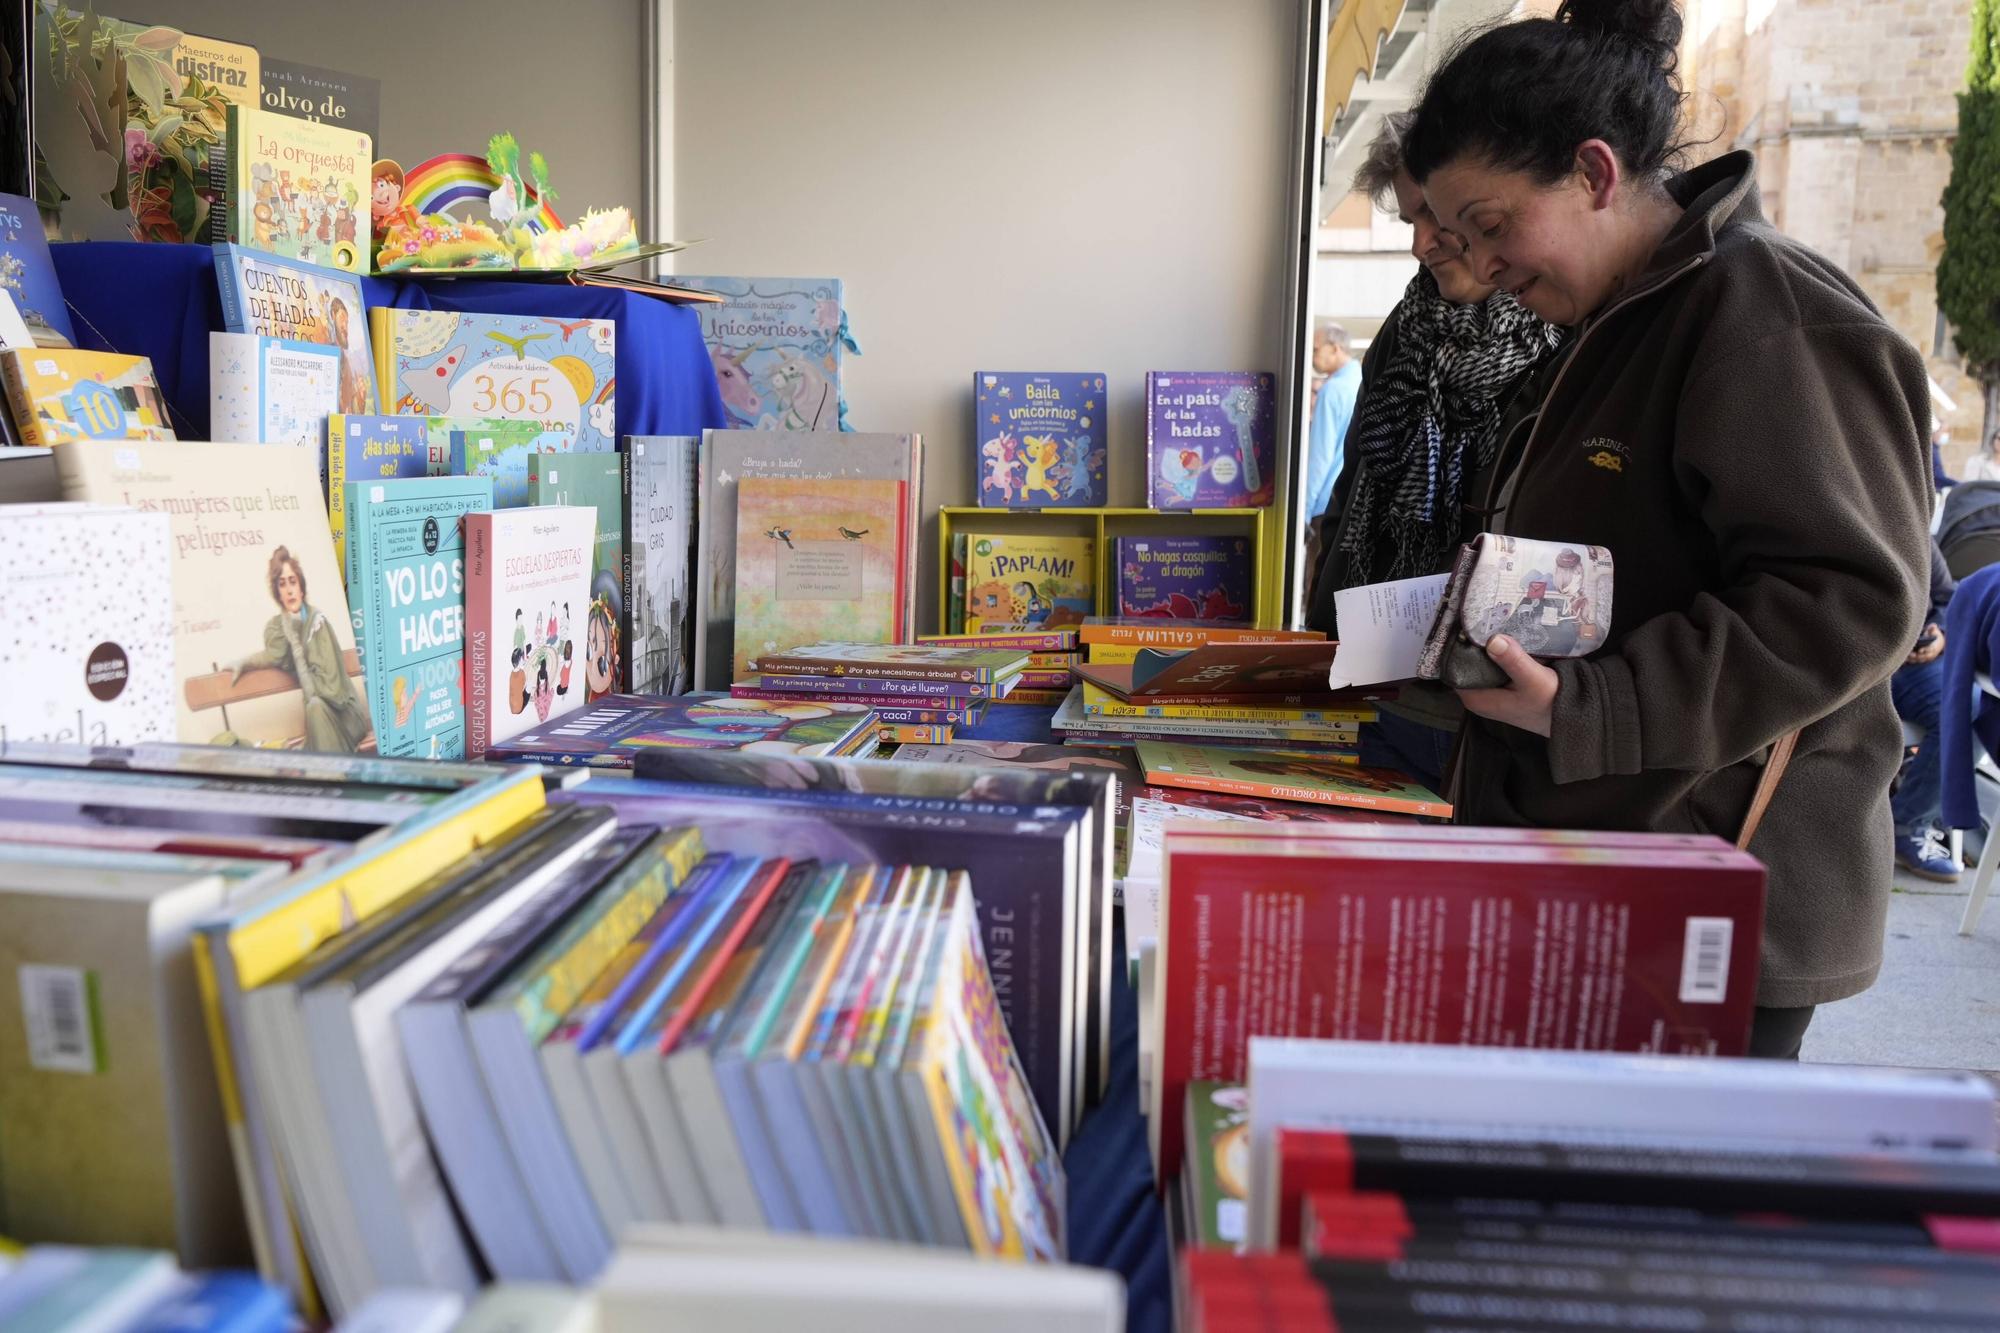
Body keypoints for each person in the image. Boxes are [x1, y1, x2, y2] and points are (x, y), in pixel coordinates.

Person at [1404, 0, 1931, 1060]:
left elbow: (1850, 596)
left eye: (1493, 223)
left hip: (1711, 877)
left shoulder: (1763, 311)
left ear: (1594, 173)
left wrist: (1595, 705)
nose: (1480, 261)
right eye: (1459, 235)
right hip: (1612, 847)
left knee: (1650, 1206)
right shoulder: (1621, 313)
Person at [1304, 111, 1565, 794]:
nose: (1422, 243)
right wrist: (1324, 622)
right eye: (1409, 220)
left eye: (1436, 215)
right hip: (1378, 677)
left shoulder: (1561, 335)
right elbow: (1357, 483)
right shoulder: (1406, 326)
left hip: (1496, 710)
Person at [230, 546, 372, 754]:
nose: (289, 590)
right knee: (314, 709)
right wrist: (243, 662)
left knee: (314, 707)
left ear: (301, 588)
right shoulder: (280, 626)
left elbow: (329, 692)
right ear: (277, 592)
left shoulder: (317, 623)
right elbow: (273, 655)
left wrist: (296, 649)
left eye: (293, 582)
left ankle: (331, 776)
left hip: (344, 715)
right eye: (282, 583)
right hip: (318, 715)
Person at [1889, 536, 1958, 881]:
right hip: (1867, 656)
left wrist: (1940, 634)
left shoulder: (1921, 537)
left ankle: (1909, 825)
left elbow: (1949, 598)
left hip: (1917, 662)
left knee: (1968, 706)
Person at [1303, 320, 1359, 530]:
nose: (1312, 356)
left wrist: (1305, 512)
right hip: (1353, 501)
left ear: (1335, 349)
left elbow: (1320, 456)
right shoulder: (1363, 383)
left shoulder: (1332, 390)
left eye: (1316, 349)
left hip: (1326, 504)